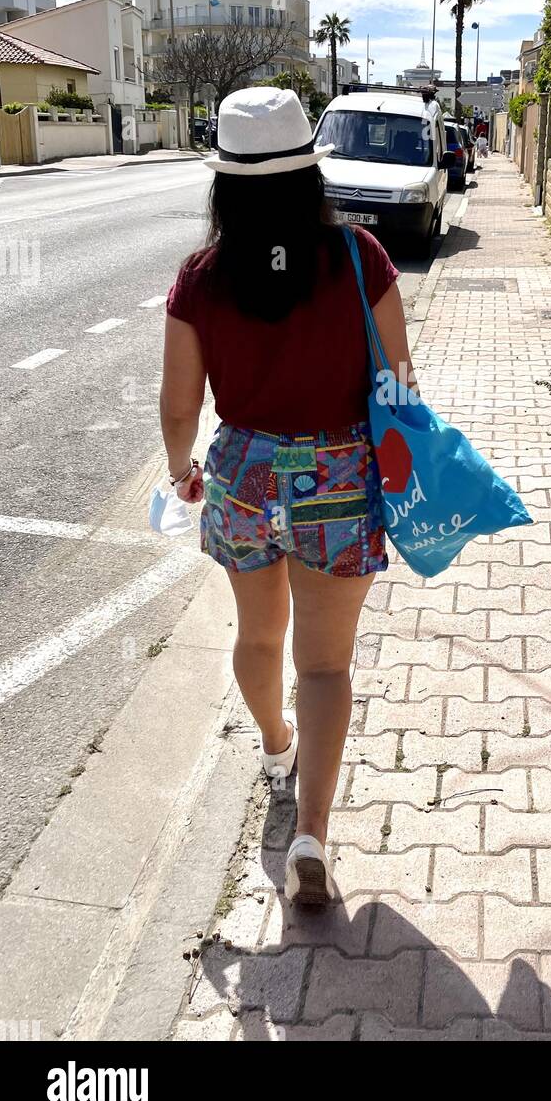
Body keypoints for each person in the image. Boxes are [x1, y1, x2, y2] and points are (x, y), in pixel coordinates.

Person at [159, 87, 414, 905]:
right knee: (327, 664)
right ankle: (312, 830)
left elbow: (179, 406)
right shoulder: (359, 259)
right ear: (311, 172)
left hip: (242, 474)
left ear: (224, 184)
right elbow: (400, 385)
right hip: (338, 473)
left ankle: (275, 747)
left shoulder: (200, 278)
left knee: (259, 635)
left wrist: (181, 470)